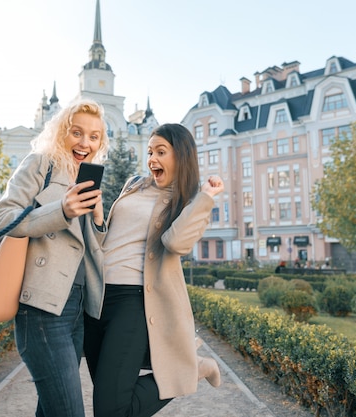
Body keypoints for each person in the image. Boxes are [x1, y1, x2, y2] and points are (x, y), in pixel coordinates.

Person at [83, 123, 224, 417]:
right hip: (97, 298)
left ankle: (191, 371)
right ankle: (191, 368)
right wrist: (98, 217)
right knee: (110, 399)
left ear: (181, 157)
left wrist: (206, 197)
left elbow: (176, 243)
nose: (152, 159)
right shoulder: (134, 183)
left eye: (161, 152)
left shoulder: (189, 201)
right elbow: (112, 239)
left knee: (108, 410)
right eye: (149, 152)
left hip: (133, 301)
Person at [0, 99, 109, 417]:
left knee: (53, 409)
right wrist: (62, 210)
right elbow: (2, 217)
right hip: (41, 312)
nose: (85, 142)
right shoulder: (40, 164)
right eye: (77, 132)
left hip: (76, 311)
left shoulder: (84, 178)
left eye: (94, 136)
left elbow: (88, 252)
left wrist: (97, 219)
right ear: (61, 133)